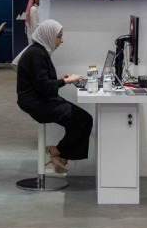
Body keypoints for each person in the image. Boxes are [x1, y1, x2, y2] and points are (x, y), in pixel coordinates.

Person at [15, 18, 91, 174]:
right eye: (59, 36)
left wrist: (64, 80)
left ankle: (61, 156)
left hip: (40, 99)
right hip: (36, 103)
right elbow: (46, 87)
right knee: (83, 120)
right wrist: (65, 81)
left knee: (79, 120)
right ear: (48, 35)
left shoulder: (39, 52)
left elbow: (42, 81)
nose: (61, 41)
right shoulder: (36, 54)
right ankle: (56, 152)